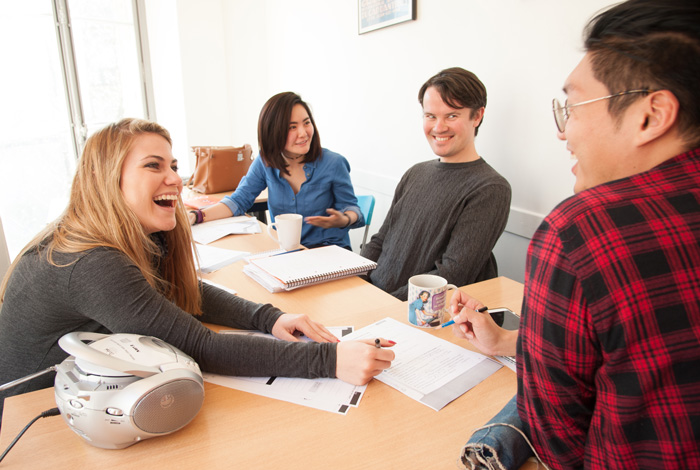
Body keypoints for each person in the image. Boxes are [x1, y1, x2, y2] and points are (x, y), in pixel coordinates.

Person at [449, 1, 700, 470]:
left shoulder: (582, 230)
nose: (562, 131)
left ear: (651, 116)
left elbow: (558, 444)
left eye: (574, 107)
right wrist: (510, 343)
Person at [0, 118, 394, 419]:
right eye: (153, 166)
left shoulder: (130, 234)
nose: (175, 178)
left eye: (173, 165)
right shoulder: (92, 262)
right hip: (31, 414)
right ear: (106, 180)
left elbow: (182, 291)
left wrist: (270, 318)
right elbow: (202, 346)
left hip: (82, 390)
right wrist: (330, 360)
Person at [361, 68, 511, 300]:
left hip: (417, 311)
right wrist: (355, 281)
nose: (439, 127)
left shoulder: (490, 188)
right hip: (373, 298)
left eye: (452, 116)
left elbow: (453, 274)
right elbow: (380, 241)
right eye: (430, 116)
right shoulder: (415, 173)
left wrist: (383, 304)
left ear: (477, 116)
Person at [189, 92, 364, 250]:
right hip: (287, 252)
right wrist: (197, 216)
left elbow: (353, 209)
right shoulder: (265, 161)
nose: (303, 133)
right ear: (273, 132)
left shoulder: (334, 163)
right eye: (292, 127)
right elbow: (238, 201)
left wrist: (344, 219)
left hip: (330, 252)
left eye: (307, 123)